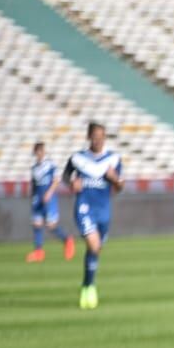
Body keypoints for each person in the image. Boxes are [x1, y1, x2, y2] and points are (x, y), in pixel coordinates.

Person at [63, 123, 123, 309]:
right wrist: (72, 184)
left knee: (95, 250)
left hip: (103, 210)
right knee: (93, 244)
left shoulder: (113, 159)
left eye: (101, 136)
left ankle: (88, 285)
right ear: (89, 137)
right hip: (84, 207)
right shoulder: (78, 158)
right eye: (95, 136)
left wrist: (115, 179)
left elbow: (119, 188)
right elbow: (66, 177)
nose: (98, 140)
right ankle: (88, 287)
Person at [26, 142, 75, 263]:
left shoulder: (50, 165)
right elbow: (34, 184)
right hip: (37, 199)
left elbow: (56, 180)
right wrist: (32, 196)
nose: (38, 154)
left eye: (40, 151)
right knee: (36, 224)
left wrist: (49, 193)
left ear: (43, 152)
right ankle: (39, 252)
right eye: (36, 152)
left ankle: (67, 240)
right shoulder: (34, 168)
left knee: (51, 225)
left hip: (49, 198)